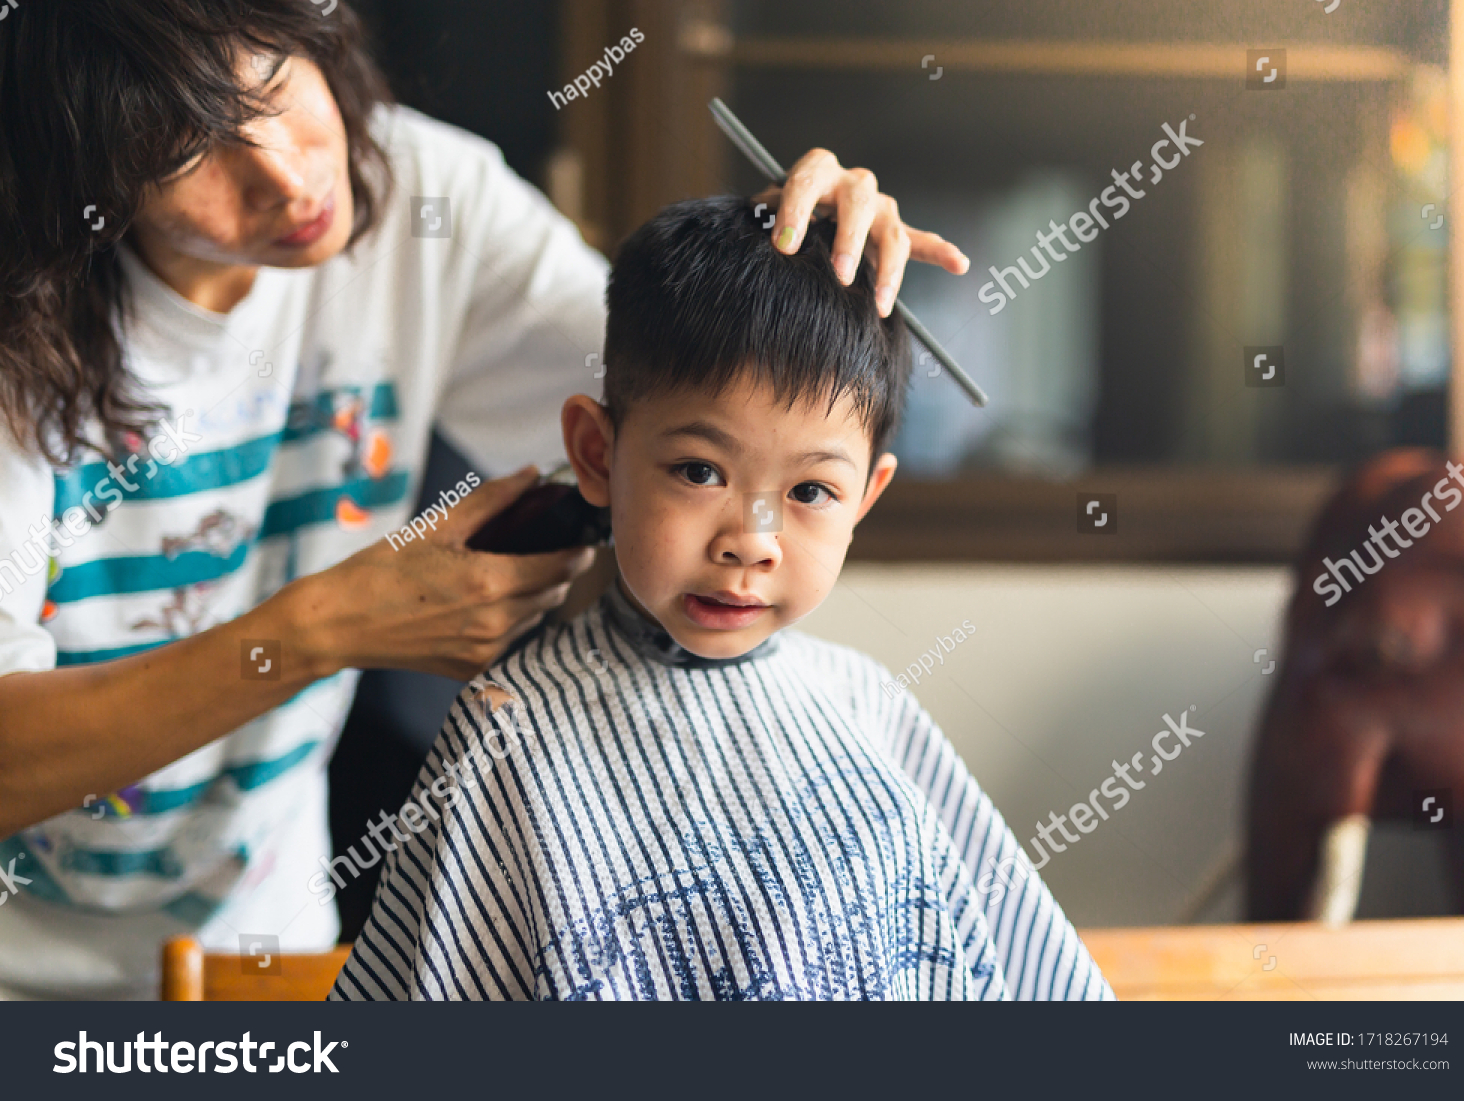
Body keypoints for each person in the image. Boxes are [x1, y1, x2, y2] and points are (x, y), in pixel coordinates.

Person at [0, 2, 969, 1000]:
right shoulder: (18, 322)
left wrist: (780, 278)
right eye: (182, 153)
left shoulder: (427, 195)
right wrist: (320, 630)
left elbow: (681, 401)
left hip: (265, 941)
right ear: (78, 175)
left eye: (275, 90)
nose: (288, 178)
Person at [330, 197, 1110, 1000]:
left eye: (810, 488)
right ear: (597, 454)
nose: (752, 539)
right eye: (700, 472)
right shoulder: (509, 730)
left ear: (866, 497)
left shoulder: (867, 704)